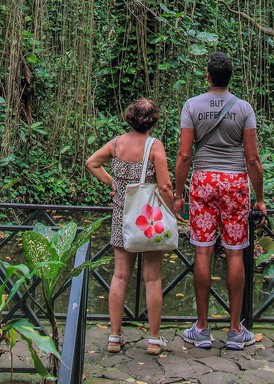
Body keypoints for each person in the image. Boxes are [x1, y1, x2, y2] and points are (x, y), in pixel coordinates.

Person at [173, 52, 266, 351]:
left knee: (203, 251)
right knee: (235, 253)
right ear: (230, 77)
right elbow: (252, 158)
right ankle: (235, 330)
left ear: (207, 75)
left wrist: (178, 193)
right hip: (235, 182)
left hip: (203, 182)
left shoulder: (192, 106)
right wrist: (260, 199)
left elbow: (185, 155)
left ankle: (201, 329)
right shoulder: (243, 108)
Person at [86, 98, 174, 356]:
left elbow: (92, 162)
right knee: (153, 277)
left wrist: (112, 183)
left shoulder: (116, 144)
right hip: (149, 219)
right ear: (153, 120)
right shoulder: (154, 146)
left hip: (122, 215)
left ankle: (114, 336)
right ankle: (154, 340)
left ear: (129, 118)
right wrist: (172, 212)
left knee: (120, 275)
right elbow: (165, 186)